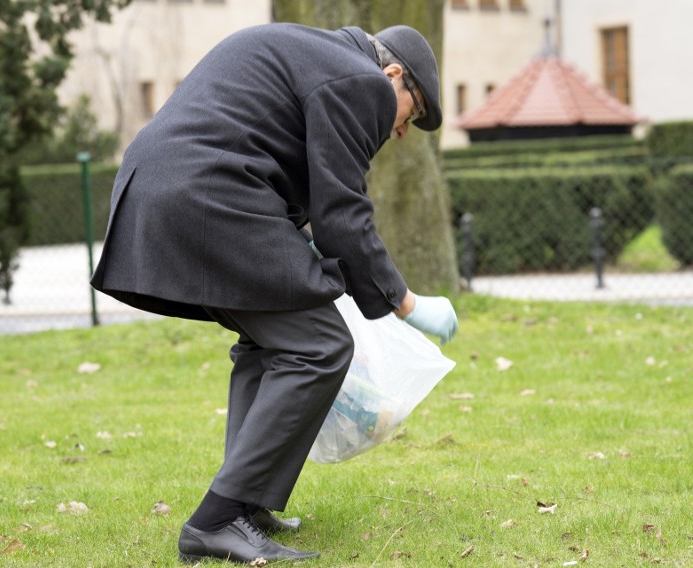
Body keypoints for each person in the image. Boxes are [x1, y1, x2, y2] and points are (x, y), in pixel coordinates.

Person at [90, 21, 458, 564]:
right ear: (394, 75)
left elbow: (268, 152)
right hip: (205, 191)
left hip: (167, 182)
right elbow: (343, 215)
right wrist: (406, 302)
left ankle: (247, 504)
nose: (403, 128)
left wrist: (305, 247)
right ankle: (215, 521)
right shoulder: (361, 82)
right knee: (319, 346)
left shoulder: (321, 57)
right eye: (414, 111)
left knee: (271, 342)